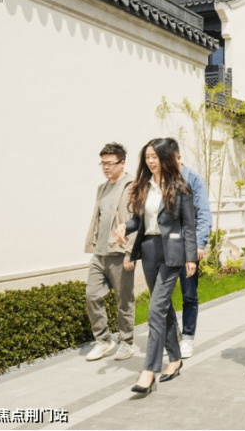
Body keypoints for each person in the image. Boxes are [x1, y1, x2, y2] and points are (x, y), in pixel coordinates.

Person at [114, 138, 198, 395]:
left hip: (172, 253)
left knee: (155, 310)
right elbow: (139, 220)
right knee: (164, 308)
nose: (150, 161)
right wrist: (124, 226)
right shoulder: (143, 185)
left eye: (155, 157)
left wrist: (191, 258)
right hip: (149, 250)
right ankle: (175, 358)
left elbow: (189, 226)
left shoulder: (180, 187)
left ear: (165, 158)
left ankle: (149, 371)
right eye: (147, 157)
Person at [83, 142, 137, 362]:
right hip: (100, 253)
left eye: (110, 163)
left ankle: (126, 342)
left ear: (122, 163)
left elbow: (136, 221)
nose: (106, 167)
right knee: (92, 295)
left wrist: (130, 253)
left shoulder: (132, 187)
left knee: (124, 301)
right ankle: (104, 340)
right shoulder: (102, 188)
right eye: (103, 163)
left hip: (120, 253)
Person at [166, 138, 213, 359]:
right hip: (166, 246)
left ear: (178, 157)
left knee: (189, 295)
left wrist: (199, 245)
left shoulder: (194, 179)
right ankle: (173, 332)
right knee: (162, 295)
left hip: (188, 246)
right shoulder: (162, 181)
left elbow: (203, 214)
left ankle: (187, 338)